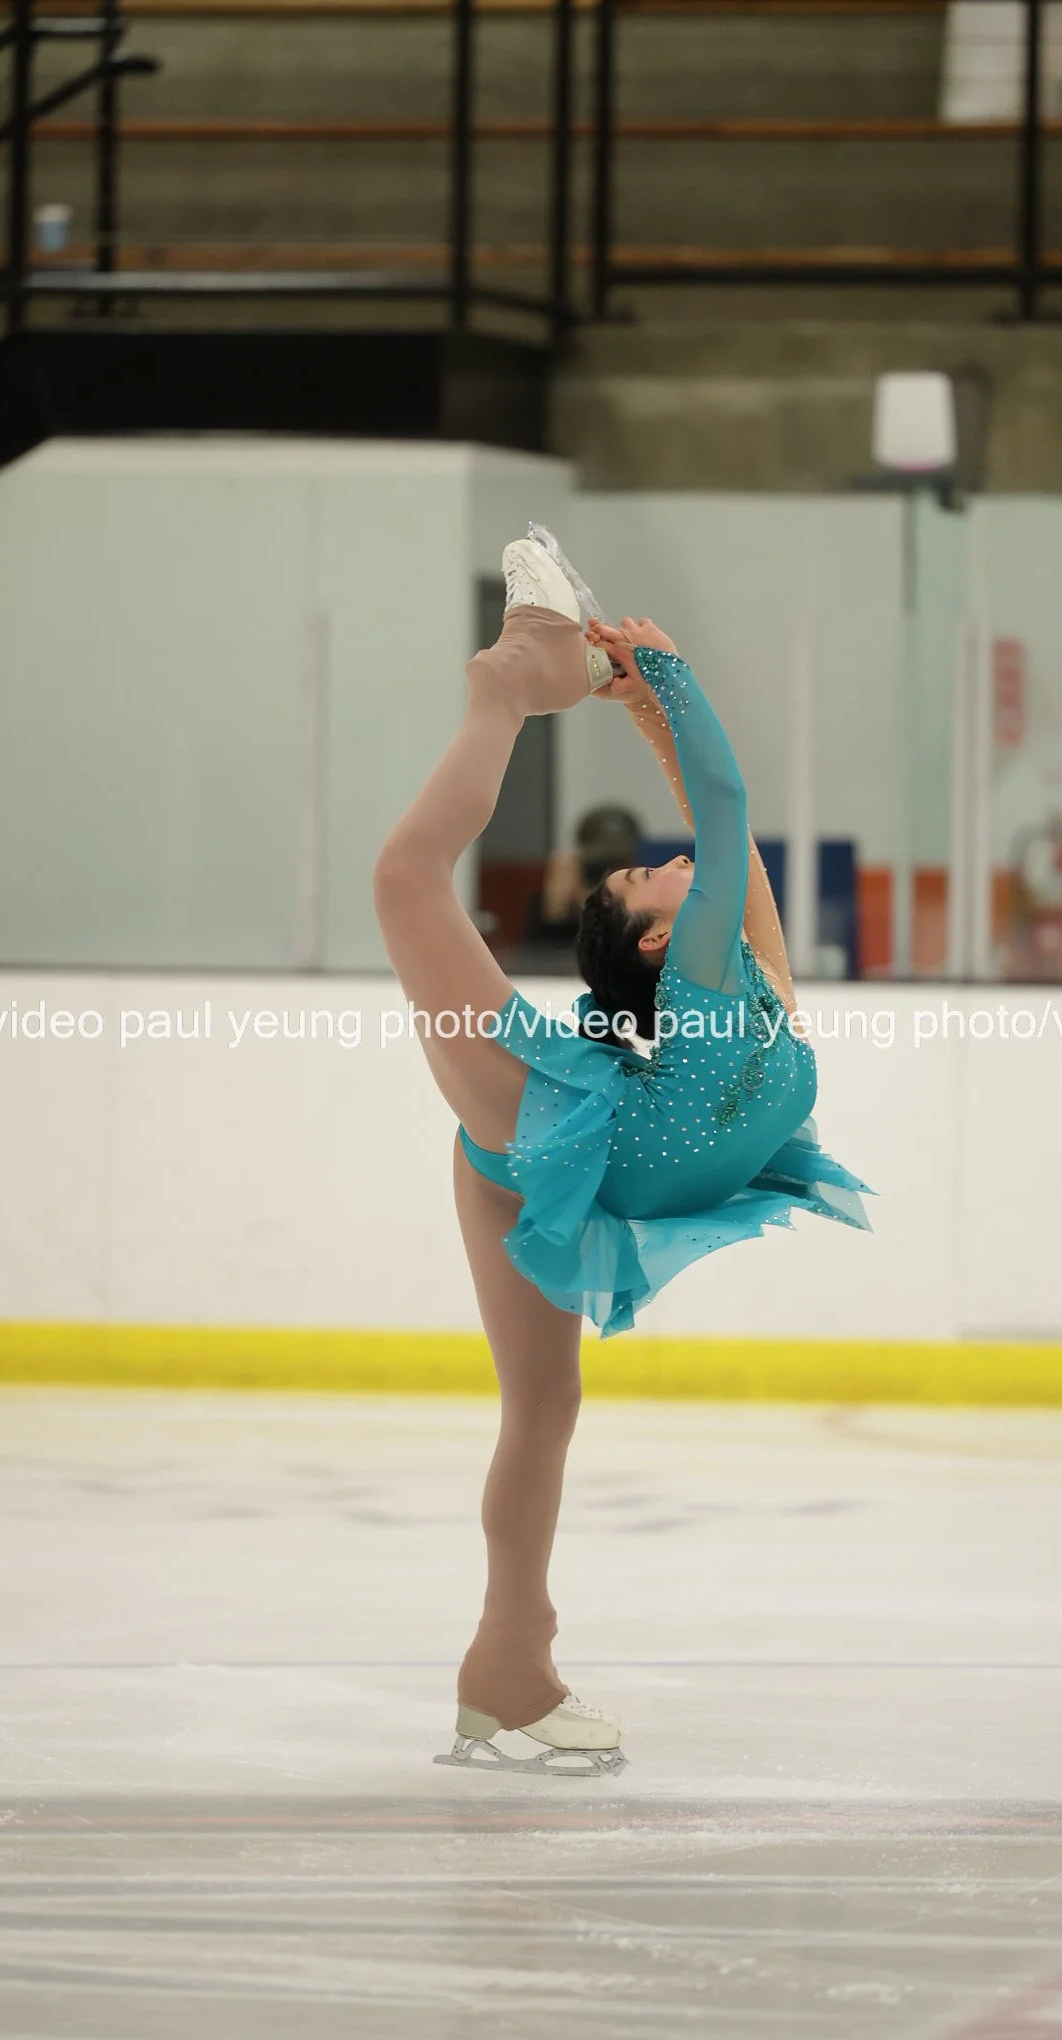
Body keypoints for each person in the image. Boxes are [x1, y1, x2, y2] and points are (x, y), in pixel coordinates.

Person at [372, 527, 871, 1777]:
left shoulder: (746, 989)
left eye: (652, 866)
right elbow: (730, 812)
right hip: (536, 1129)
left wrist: (648, 704)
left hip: (581, 1159)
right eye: (652, 877)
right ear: (658, 945)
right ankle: (507, 682)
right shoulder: (719, 987)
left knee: (545, 1406)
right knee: (406, 879)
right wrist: (672, 676)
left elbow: (723, 834)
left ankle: (509, 1664)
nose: (674, 861)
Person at [521, 804, 643, 960]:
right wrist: (554, 906)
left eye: (615, 862)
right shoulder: (566, 877)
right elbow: (537, 954)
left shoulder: (642, 905)